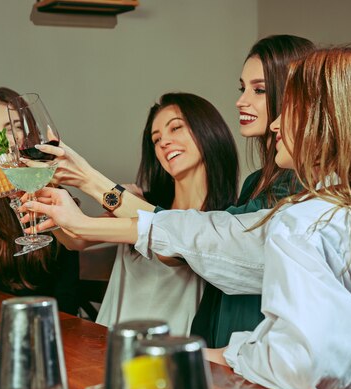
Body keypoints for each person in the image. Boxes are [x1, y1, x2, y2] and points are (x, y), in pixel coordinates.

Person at [25, 47, 351, 389]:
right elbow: (225, 239)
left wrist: (202, 358)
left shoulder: (300, 220)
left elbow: (295, 363)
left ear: (329, 120)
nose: (276, 122)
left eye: (284, 104)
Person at [33, 35, 315, 347]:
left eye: (259, 90)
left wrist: (91, 182)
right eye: (156, 138)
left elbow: (183, 240)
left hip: (230, 355)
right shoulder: (250, 185)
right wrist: (48, 196)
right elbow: (80, 238)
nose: (241, 100)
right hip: (208, 352)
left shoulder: (277, 194)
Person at [53, 92, 239, 335]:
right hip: (112, 348)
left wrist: (97, 186)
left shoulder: (225, 220)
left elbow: (170, 237)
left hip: (174, 356)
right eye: (156, 138)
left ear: (208, 130)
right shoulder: (140, 204)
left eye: (176, 128)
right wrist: (43, 191)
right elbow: (74, 239)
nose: (164, 142)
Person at [0, 87, 83, 315]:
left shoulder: (55, 196)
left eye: (13, 129)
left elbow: (67, 291)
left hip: (46, 326)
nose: (2, 141)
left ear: (28, 135)